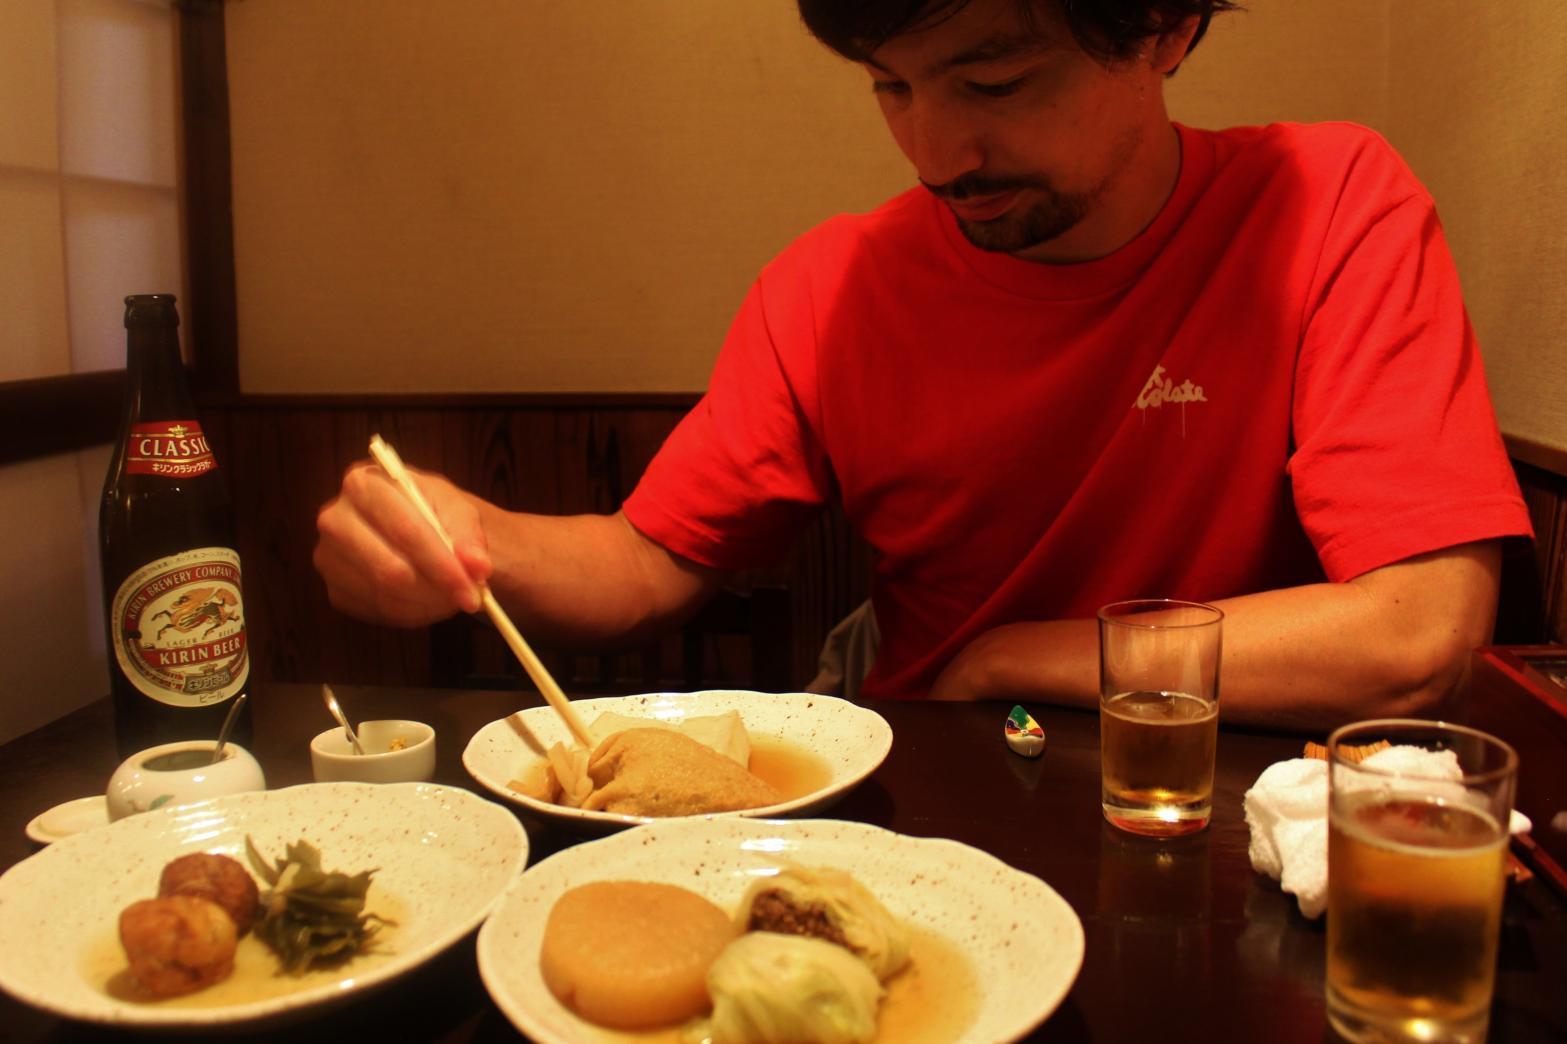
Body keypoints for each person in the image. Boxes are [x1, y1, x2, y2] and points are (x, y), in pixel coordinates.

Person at [314, 0, 1531, 731]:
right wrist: (468, 536)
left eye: (992, 81)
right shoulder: (831, 288)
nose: (936, 148)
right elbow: (648, 564)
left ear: (1162, 26)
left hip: (1225, 798)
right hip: (937, 794)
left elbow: (1417, 629)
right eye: (892, 88)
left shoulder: (1328, 206)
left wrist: (1012, 657)